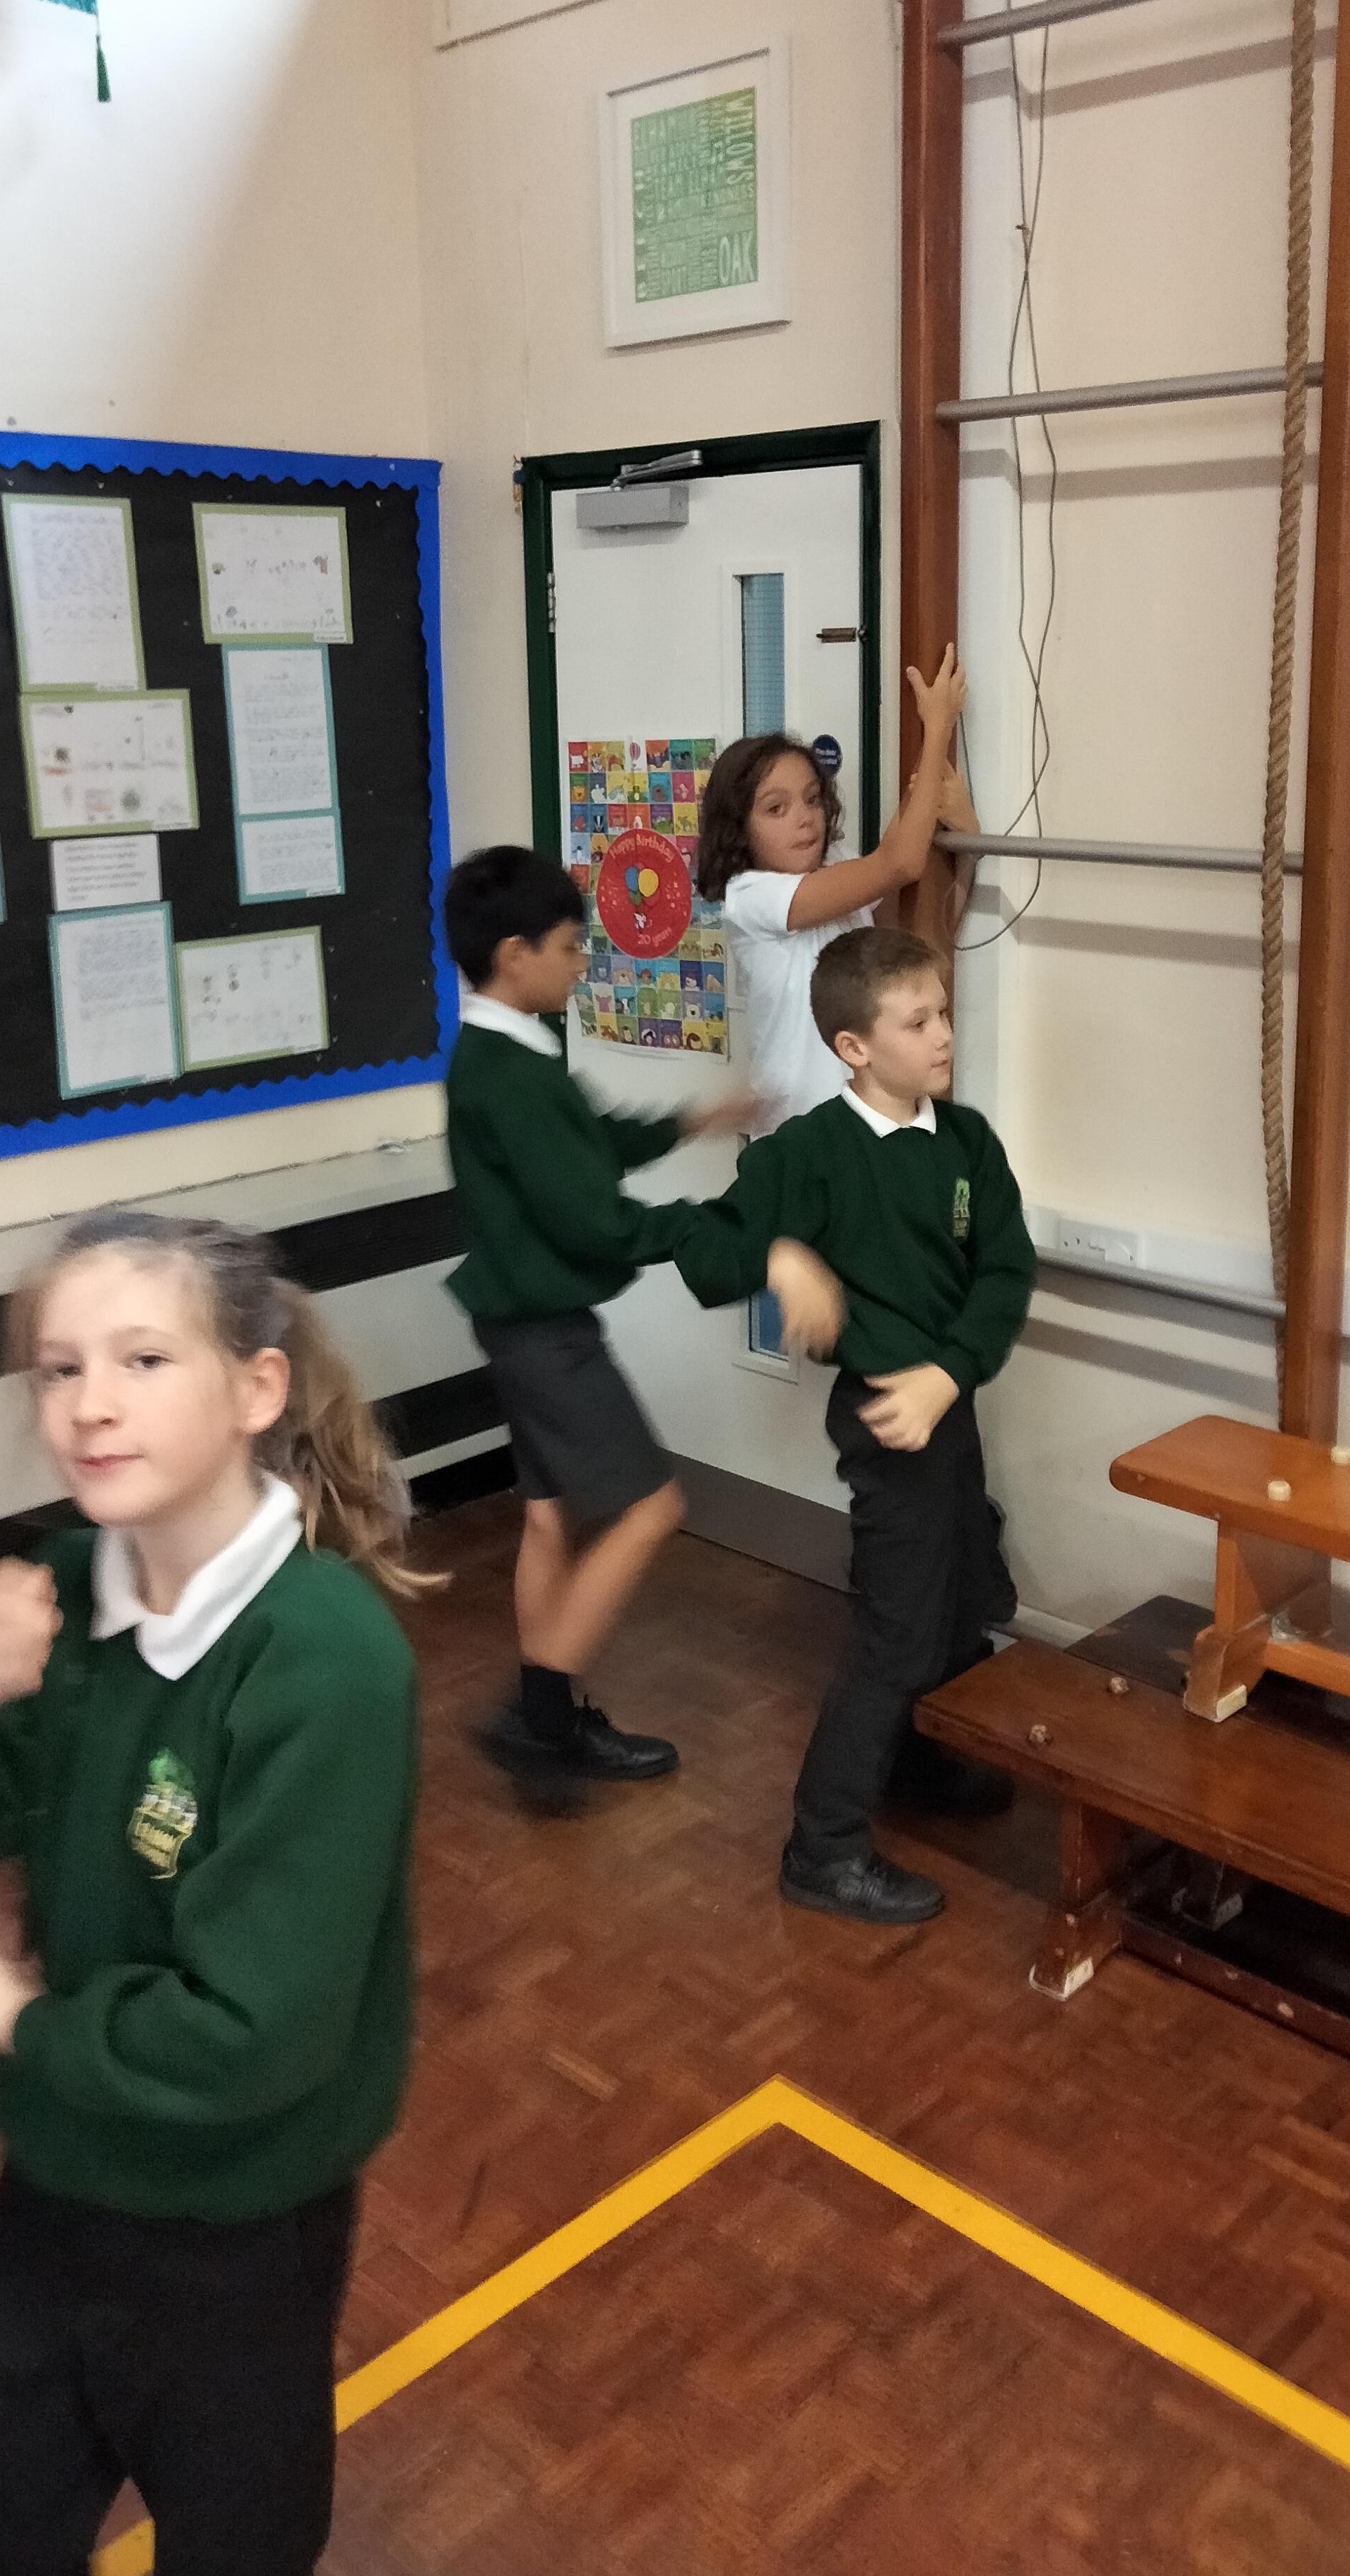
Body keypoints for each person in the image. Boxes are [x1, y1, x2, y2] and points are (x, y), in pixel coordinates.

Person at [0, 1209, 423, 2576]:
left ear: (255, 1390)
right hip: (57, 2178)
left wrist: (19, 2019)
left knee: (239, 2537)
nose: (89, 1403)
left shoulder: (326, 1659)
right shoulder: (56, 1591)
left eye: (143, 1360)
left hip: (235, 2228)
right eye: (59, 1367)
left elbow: (255, 2034)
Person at [441, 845, 841, 1798]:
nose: (582, 963)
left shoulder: (502, 1050)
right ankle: (536, 1723)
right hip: (547, 1337)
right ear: (515, 954)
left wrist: (694, 1120)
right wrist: (737, 1240)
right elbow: (595, 1220)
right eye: (569, 947)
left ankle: (548, 1717)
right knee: (653, 1507)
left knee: (549, 1517)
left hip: (517, 1326)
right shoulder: (513, 1074)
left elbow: (582, 1148)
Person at [677, 927, 1033, 1927]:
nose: (944, 1035)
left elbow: (1005, 1273)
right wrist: (780, 1256)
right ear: (854, 1047)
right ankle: (823, 1847)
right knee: (896, 1632)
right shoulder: (808, 1154)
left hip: (946, 1413)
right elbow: (705, 1250)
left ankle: (920, 1762)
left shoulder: (967, 1144)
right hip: (886, 1424)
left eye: (944, 1013)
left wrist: (950, 1375)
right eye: (917, 1022)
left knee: (963, 1599)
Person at [695, 643, 974, 1136]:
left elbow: (900, 875)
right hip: (798, 1134)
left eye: (812, 799)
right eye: (776, 809)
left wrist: (962, 831)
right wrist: (937, 729)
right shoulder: (752, 897)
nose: (805, 819)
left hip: (861, 1122)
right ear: (739, 830)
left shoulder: (838, 866)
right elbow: (899, 861)